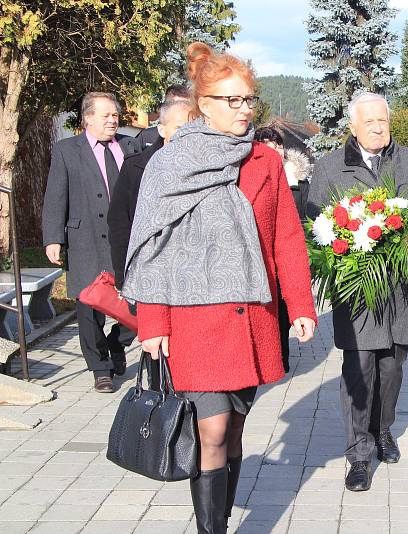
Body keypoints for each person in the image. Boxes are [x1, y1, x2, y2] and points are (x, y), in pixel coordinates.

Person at [122, 42, 317, 533]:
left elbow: (286, 239)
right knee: (210, 429)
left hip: (251, 318)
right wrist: (152, 321)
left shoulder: (264, 162)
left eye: (249, 99)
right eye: (233, 100)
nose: (245, 109)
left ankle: (222, 518)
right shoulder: (171, 164)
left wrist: (301, 306)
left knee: (234, 432)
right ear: (203, 103)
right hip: (193, 322)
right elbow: (152, 247)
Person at [307, 92, 408, 492]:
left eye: (382, 120)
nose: (377, 128)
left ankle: (383, 429)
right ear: (352, 127)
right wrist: (343, 240)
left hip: (402, 290)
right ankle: (359, 455)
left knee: (391, 368)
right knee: (359, 370)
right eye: (369, 122)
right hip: (358, 292)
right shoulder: (331, 168)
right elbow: (315, 226)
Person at [42, 92, 137, 393]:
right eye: (106, 115)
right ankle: (100, 368)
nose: (113, 120)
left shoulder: (129, 146)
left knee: (136, 304)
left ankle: (117, 344)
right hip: (85, 238)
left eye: (115, 115)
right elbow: (55, 195)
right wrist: (53, 237)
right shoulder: (68, 150)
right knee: (89, 307)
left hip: (127, 239)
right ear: (88, 118)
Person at [108, 99, 191, 388]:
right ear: (162, 129)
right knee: (157, 353)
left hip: (189, 280)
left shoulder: (204, 167)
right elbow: (119, 223)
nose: (185, 134)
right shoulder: (136, 168)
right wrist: (123, 274)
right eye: (180, 127)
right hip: (149, 276)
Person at [254, 125, 312, 372]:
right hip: (263, 255)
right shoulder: (254, 176)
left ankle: (281, 357)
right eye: (269, 144)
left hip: (289, 251)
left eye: (278, 145)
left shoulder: (296, 177)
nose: (275, 149)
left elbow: (307, 213)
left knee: (285, 307)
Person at [130, 84, 190, 153]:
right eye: (178, 105)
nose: (183, 110)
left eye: (187, 105)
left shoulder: (196, 138)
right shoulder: (146, 137)